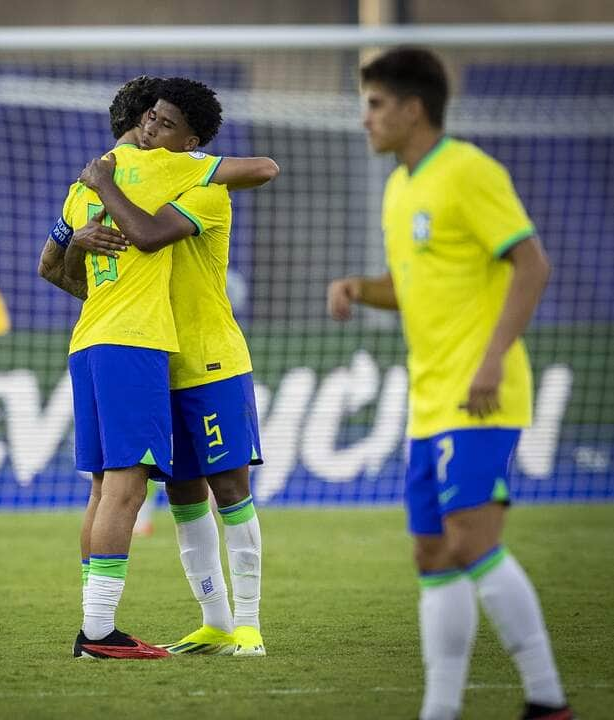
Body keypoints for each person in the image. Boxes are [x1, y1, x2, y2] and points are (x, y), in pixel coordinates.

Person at [326, 47, 570, 720]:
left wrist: (492, 358)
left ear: (412, 108)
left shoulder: (467, 170)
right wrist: (358, 288)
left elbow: (531, 265)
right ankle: (439, 710)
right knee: (431, 550)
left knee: (470, 541)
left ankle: (547, 699)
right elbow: (412, 289)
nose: (363, 118)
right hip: (429, 401)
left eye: (374, 104)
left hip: (480, 394)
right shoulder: (399, 187)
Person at [38, 76, 275, 660]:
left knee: (229, 488)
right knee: (183, 495)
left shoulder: (199, 186)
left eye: (165, 124)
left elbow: (146, 235)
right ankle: (214, 622)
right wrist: (81, 244)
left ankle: (248, 623)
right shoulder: (124, 181)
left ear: (192, 142)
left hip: (208, 356)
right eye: (149, 119)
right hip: (150, 357)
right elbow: (59, 266)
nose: (150, 130)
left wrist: (100, 190)